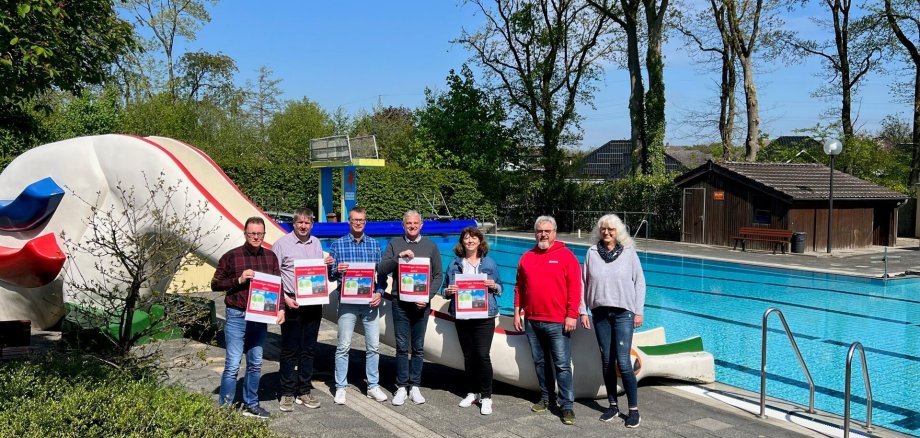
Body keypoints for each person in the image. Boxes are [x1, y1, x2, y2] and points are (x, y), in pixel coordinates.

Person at [513, 215, 582, 426]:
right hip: (532, 320)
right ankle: (546, 398)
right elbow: (519, 287)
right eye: (540, 231)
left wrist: (572, 315)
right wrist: (517, 312)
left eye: (547, 231)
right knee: (540, 363)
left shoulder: (566, 256)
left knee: (562, 365)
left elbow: (575, 289)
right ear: (535, 233)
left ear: (554, 233)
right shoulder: (526, 257)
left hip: (557, 321)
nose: (543, 234)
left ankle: (567, 405)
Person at [212, 217, 284, 419]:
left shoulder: (270, 257)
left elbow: (277, 285)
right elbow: (215, 284)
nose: (256, 237)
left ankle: (251, 403)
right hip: (236, 315)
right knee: (233, 364)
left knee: (255, 362)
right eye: (252, 233)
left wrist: (280, 309)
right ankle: (224, 409)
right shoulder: (232, 256)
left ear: (263, 234)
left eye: (259, 234)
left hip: (259, 317)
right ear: (245, 233)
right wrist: (239, 279)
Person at [579, 214, 646, 428]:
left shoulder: (629, 254)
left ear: (618, 232)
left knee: (623, 362)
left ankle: (633, 409)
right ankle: (613, 405)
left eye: (611, 229)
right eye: (603, 229)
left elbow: (640, 283)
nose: (606, 233)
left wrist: (638, 311)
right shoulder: (591, 253)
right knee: (606, 361)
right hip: (600, 313)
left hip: (623, 313)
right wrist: (583, 311)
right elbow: (583, 283)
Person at [376, 210, 443, 406]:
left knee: (418, 348)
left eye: (415, 223)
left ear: (421, 225)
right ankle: (401, 387)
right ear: (403, 225)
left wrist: (428, 296)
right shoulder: (395, 244)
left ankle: (415, 386)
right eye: (408, 223)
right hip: (400, 304)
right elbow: (381, 269)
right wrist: (398, 257)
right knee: (402, 347)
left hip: (422, 304)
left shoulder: (430, 246)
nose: (412, 226)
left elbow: (438, 275)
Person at [274, 208, 334, 412]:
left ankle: (304, 391)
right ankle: (287, 393)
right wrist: (284, 299)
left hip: (313, 303)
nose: (303, 226)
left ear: (312, 224)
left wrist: (325, 265)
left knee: (308, 349)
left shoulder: (316, 243)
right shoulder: (282, 244)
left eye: (307, 223)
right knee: (290, 350)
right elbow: (274, 276)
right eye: (300, 222)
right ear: (294, 223)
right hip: (292, 302)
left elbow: (315, 272)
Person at [328, 207, 387, 405]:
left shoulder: (374, 245)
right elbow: (330, 276)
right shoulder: (338, 245)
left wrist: (380, 292)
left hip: (370, 302)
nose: (358, 223)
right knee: (343, 346)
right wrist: (336, 269)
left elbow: (382, 276)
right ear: (349, 222)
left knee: (374, 347)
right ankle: (341, 387)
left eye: (361, 220)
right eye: (354, 220)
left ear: (365, 221)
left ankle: (372, 386)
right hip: (347, 303)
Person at [443, 226, 502, 415]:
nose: (470, 241)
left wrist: (494, 286)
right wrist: (448, 291)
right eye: (466, 238)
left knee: (482, 355)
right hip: (463, 315)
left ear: (479, 241)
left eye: (473, 238)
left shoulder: (490, 263)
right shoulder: (454, 265)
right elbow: (444, 290)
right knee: (468, 356)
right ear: (462, 242)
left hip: (484, 316)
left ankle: (486, 396)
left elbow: (501, 288)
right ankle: (471, 392)